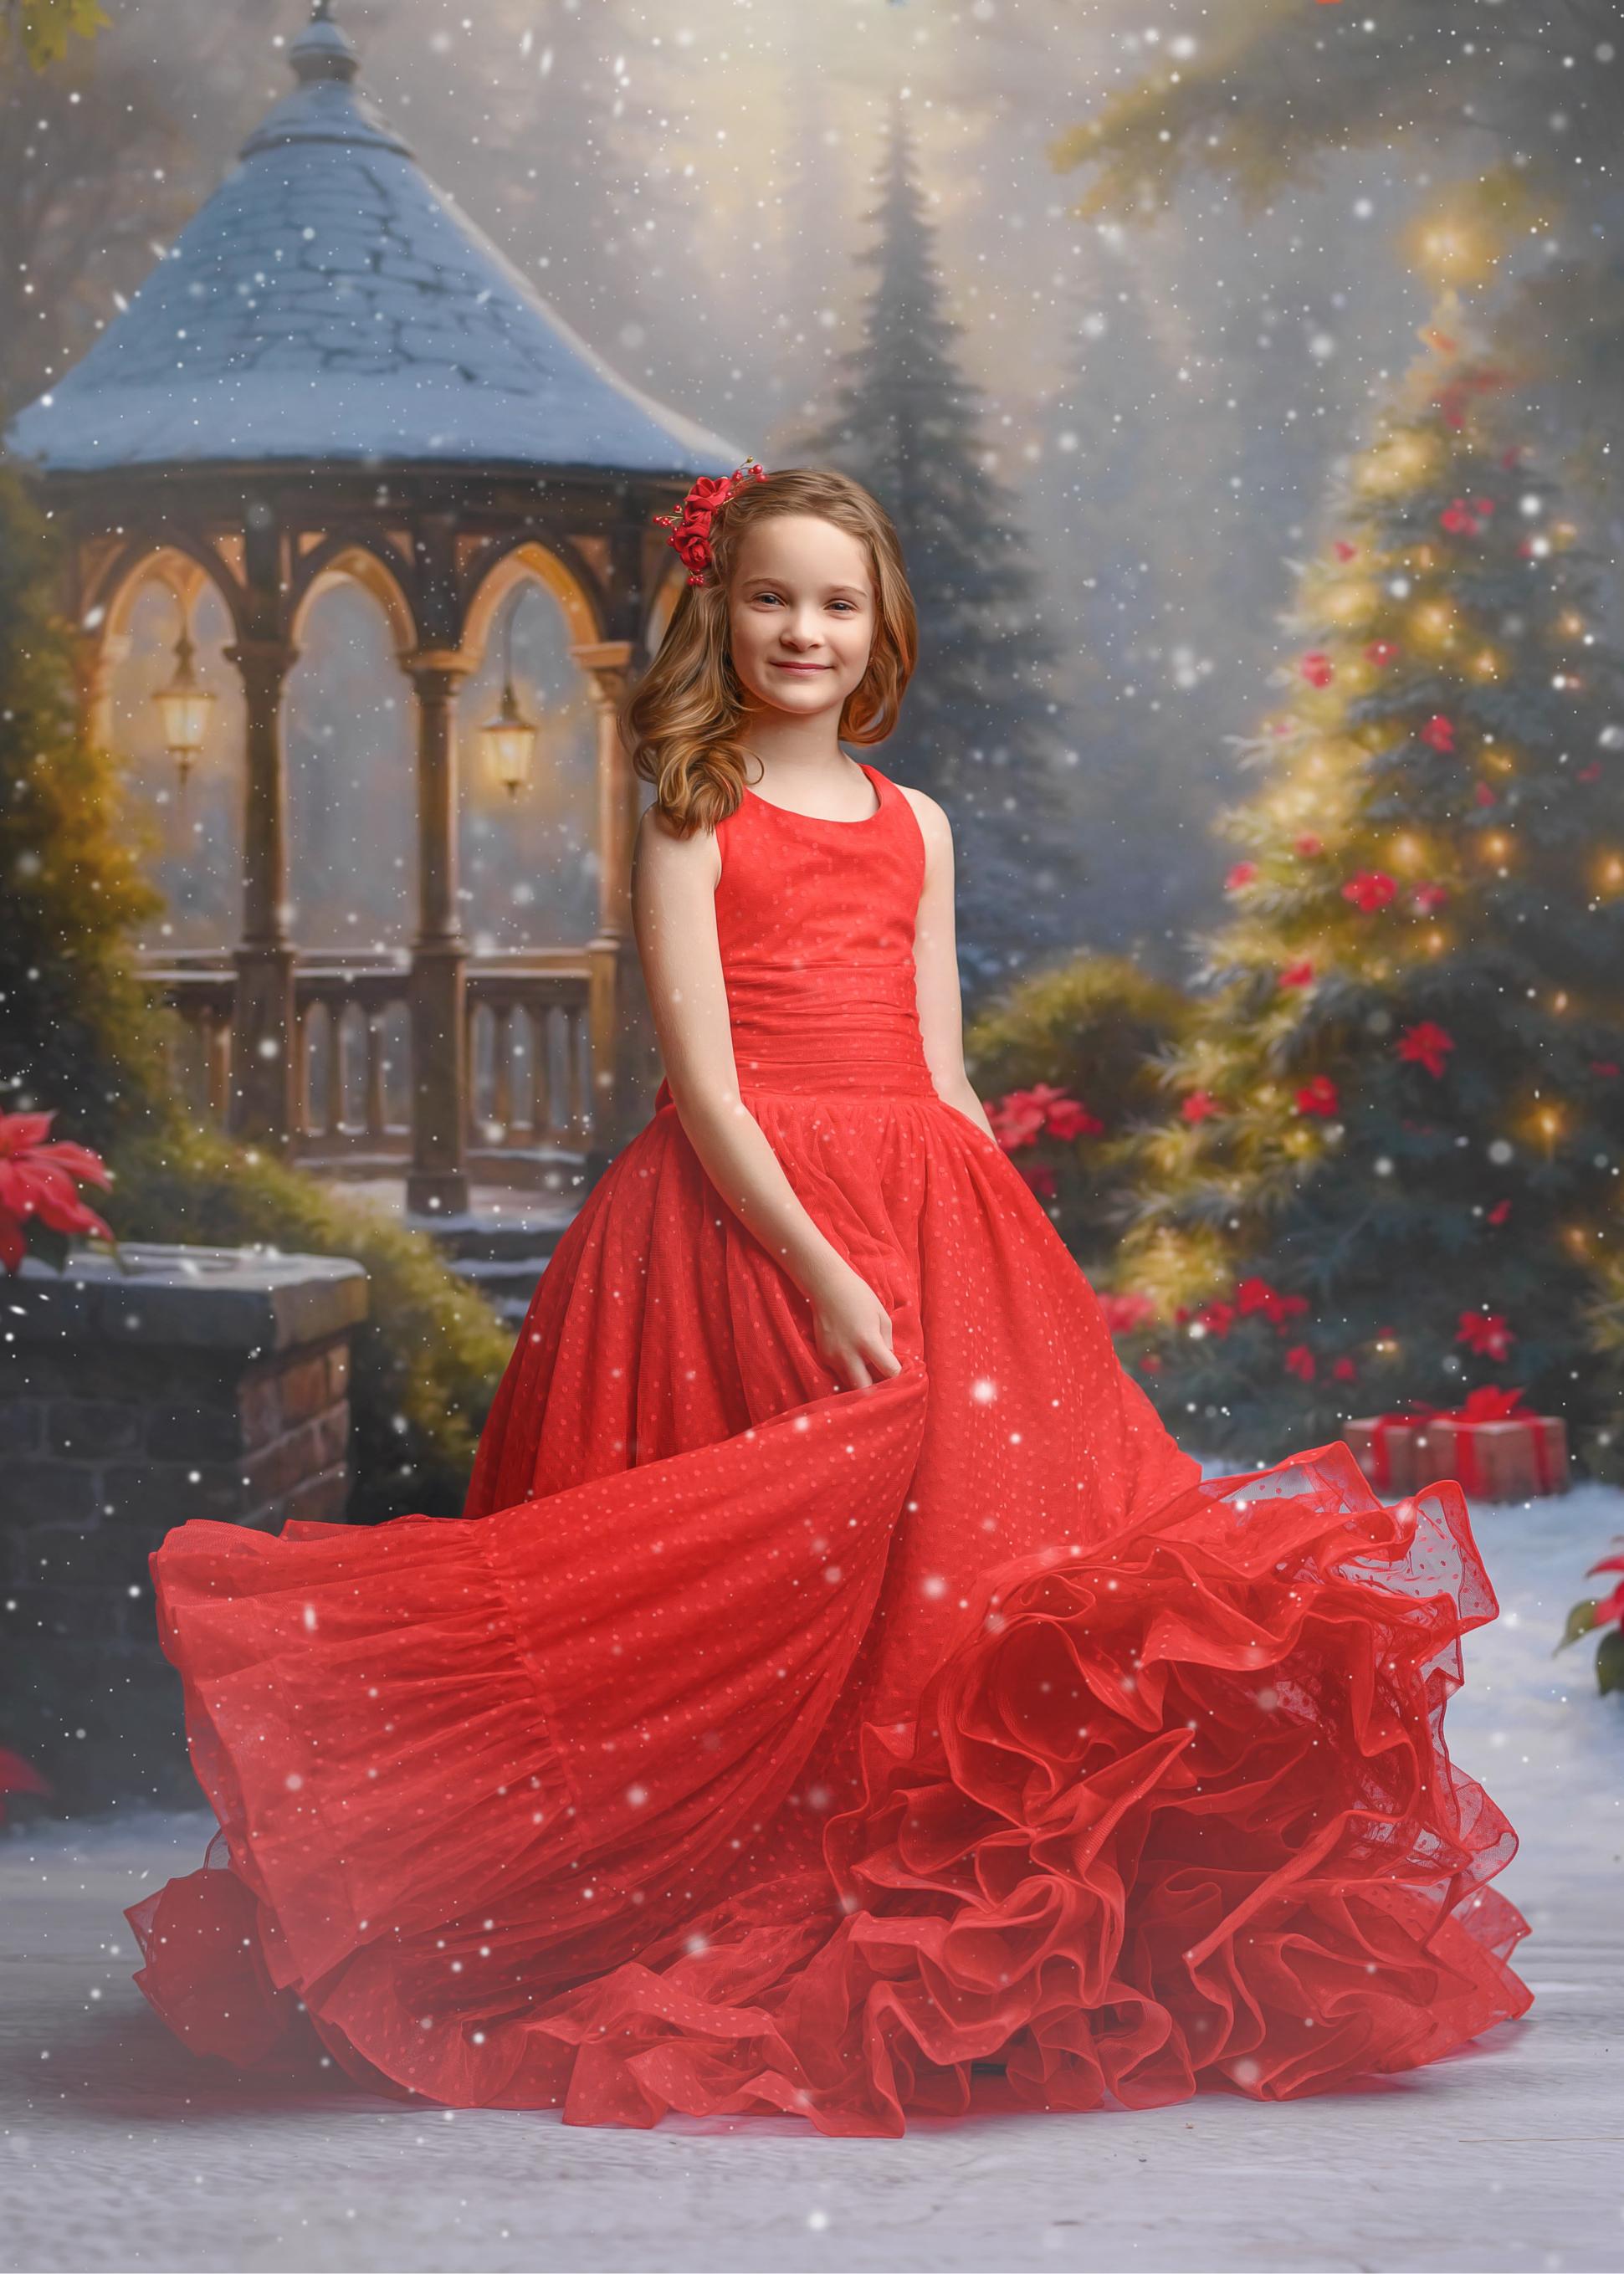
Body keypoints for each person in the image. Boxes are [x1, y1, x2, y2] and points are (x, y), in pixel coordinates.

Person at [126, 463, 1530, 2138]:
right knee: (741, 1575)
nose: (804, 629)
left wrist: (1003, 1266)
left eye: (836, 603)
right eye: (774, 597)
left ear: (878, 631)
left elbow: (942, 1071)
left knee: (977, 1562)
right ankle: (675, 1863)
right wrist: (816, 1264)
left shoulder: (915, 823)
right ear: (722, 614)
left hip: (923, 1202)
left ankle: (944, 1895)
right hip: (735, 1224)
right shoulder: (686, 804)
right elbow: (703, 1087)